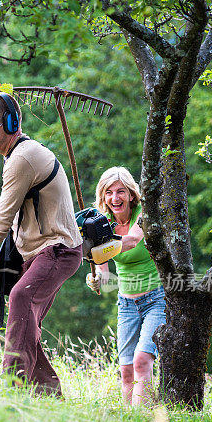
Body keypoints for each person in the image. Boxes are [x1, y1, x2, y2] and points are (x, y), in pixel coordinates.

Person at [0, 92, 82, 397]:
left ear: (11, 123)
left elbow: (2, 218)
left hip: (57, 250)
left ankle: (10, 387)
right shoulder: (17, 156)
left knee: (20, 300)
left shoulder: (23, 158)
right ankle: (49, 395)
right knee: (26, 325)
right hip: (41, 252)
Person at [86, 167, 166, 406]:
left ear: (132, 194)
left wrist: (96, 250)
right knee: (127, 370)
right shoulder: (102, 224)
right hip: (126, 304)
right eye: (109, 192)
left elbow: (130, 241)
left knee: (143, 360)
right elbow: (103, 269)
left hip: (156, 299)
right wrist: (97, 277)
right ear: (103, 196)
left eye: (121, 191)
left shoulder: (145, 214)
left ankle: (144, 418)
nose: (115, 198)